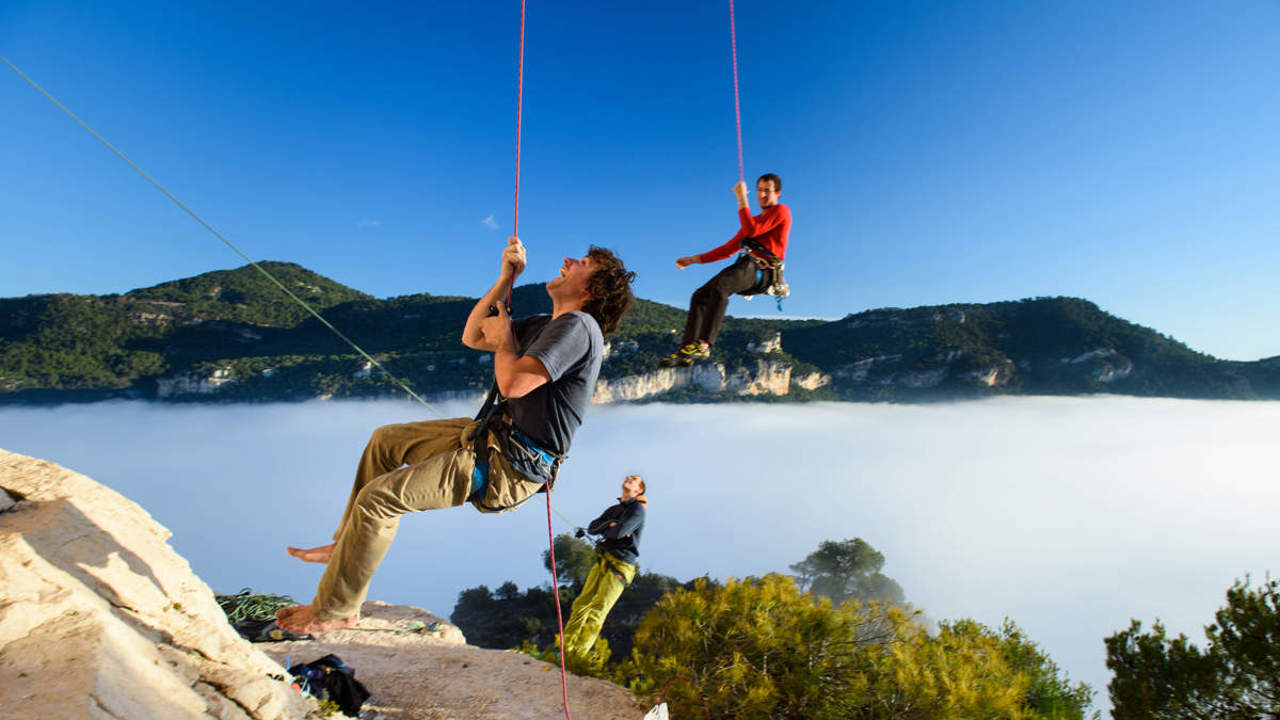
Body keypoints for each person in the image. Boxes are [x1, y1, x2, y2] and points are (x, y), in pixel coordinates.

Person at [276, 237, 635, 634]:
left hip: (512, 466)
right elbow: (475, 336)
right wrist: (506, 278)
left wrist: (505, 339)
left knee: (378, 500)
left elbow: (513, 383)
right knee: (385, 441)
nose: (567, 260)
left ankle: (337, 609)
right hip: (495, 438)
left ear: (592, 290)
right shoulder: (544, 325)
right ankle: (347, 545)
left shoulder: (580, 326)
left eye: (582, 262)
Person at [661, 173, 791, 367]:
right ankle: (686, 351)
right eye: (759, 190)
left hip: (762, 271)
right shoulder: (753, 221)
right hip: (747, 266)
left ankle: (704, 343)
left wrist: (741, 198)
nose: (762, 195)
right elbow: (728, 249)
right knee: (700, 295)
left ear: (777, 193)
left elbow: (752, 230)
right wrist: (693, 260)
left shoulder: (781, 211)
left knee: (720, 287)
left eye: (767, 191)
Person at [562, 475, 647, 659]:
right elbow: (593, 527)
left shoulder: (637, 510)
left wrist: (609, 528)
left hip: (621, 566)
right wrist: (610, 524)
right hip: (603, 559)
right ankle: (564, 649)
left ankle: (578, 654)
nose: (629, 479)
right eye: (628, 478)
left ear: (638, 490)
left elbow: (619, 532)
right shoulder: (614, 509)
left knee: (598, 610)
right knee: (581, 603)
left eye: (634, 480)